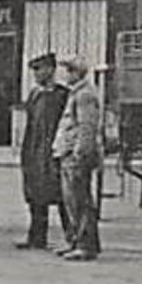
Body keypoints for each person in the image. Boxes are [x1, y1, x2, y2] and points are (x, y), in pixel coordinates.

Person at [51, 56, 103, 261]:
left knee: (80, 201)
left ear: (75, 73)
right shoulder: (78, 93)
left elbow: (86, 128)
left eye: (66, 71)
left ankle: (85, 245)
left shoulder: (85, 96)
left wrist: (81, 153)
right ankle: (75, 241)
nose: (63, 75)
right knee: (72, 201)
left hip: (76, 155)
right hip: (68, 153)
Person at [17, 53, 71, 250]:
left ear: (51, 69)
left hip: (54, 152)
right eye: (34, 71)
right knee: (36, 196)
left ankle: (72, 238)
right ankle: (36, 238)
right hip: (35, 152)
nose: (36, 75)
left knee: (63, 196)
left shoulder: (63, 95)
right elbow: (31, 125)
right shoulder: (35, 95)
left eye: (39, 70)